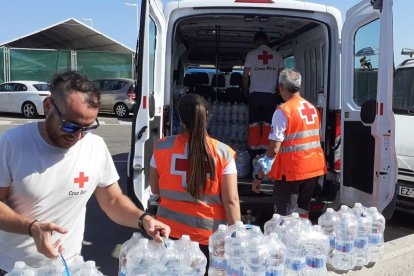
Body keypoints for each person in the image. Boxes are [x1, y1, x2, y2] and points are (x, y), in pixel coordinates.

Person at [0, 71, 170, 274]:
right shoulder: (12, 143)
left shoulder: (95, 146)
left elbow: (113, 201)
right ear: (48, 106)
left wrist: (144, 220)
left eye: (87, 127)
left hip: (69, 266)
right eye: (70, 125)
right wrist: (32, 228)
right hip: (15, 267)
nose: (78, 136)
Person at [149, 93, 241, 259]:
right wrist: (237, 238)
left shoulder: (162, 147)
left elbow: (155, 188)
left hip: (168, 232)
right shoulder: (223, 153)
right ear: (206, 115)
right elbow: (231, 201)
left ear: (181, 119)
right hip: (208, 237)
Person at [252, 69, 326, 218]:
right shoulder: (312, 108)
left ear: (280, 87)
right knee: (303, 212)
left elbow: (273, 150)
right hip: (313, 169)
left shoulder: (283, 111)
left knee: (284, 218)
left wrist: (259, 176)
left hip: (292, 171)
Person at [243, 31, 284, 156]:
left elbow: (245, 76)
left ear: (256, 42)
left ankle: (253, 151)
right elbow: (282, 76)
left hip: (255, 95)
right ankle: (266, 150)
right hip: (270, 96)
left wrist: (245, 91)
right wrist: (279, 91)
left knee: (253, 124)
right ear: (267, 40)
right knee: (268, 124)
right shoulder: (277, 56)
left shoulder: (251, 55)